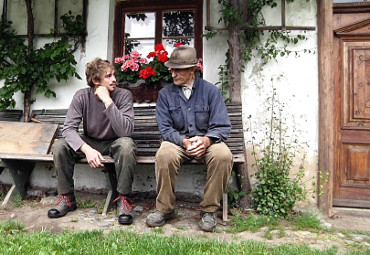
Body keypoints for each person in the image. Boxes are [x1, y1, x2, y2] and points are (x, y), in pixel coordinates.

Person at [145, 46, 233, 232]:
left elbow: (222, 126)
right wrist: (184, 141)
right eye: (172, 69)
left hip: (207, 142)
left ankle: (209, 210)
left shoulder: (211, 92)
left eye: (178, 69)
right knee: (164, 154)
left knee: (223, 155)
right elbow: (165, 128)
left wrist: (206, 141)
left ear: (193, 69)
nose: (173, 73)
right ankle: (164, 208)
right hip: (178, 142)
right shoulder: (165, 95)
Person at [47, 58, 137, 225]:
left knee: (127, 145)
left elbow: (125, 131)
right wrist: (87, 150)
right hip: (90, 142)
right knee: (60, 146)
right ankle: (66, 198)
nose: (114, 79)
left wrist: (107, 101)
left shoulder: (124, 96)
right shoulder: (82, 96)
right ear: (96, 81)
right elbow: (68, 129)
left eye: (114, 75)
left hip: (114, 142)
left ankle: (123, 199)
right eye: (108, 76)